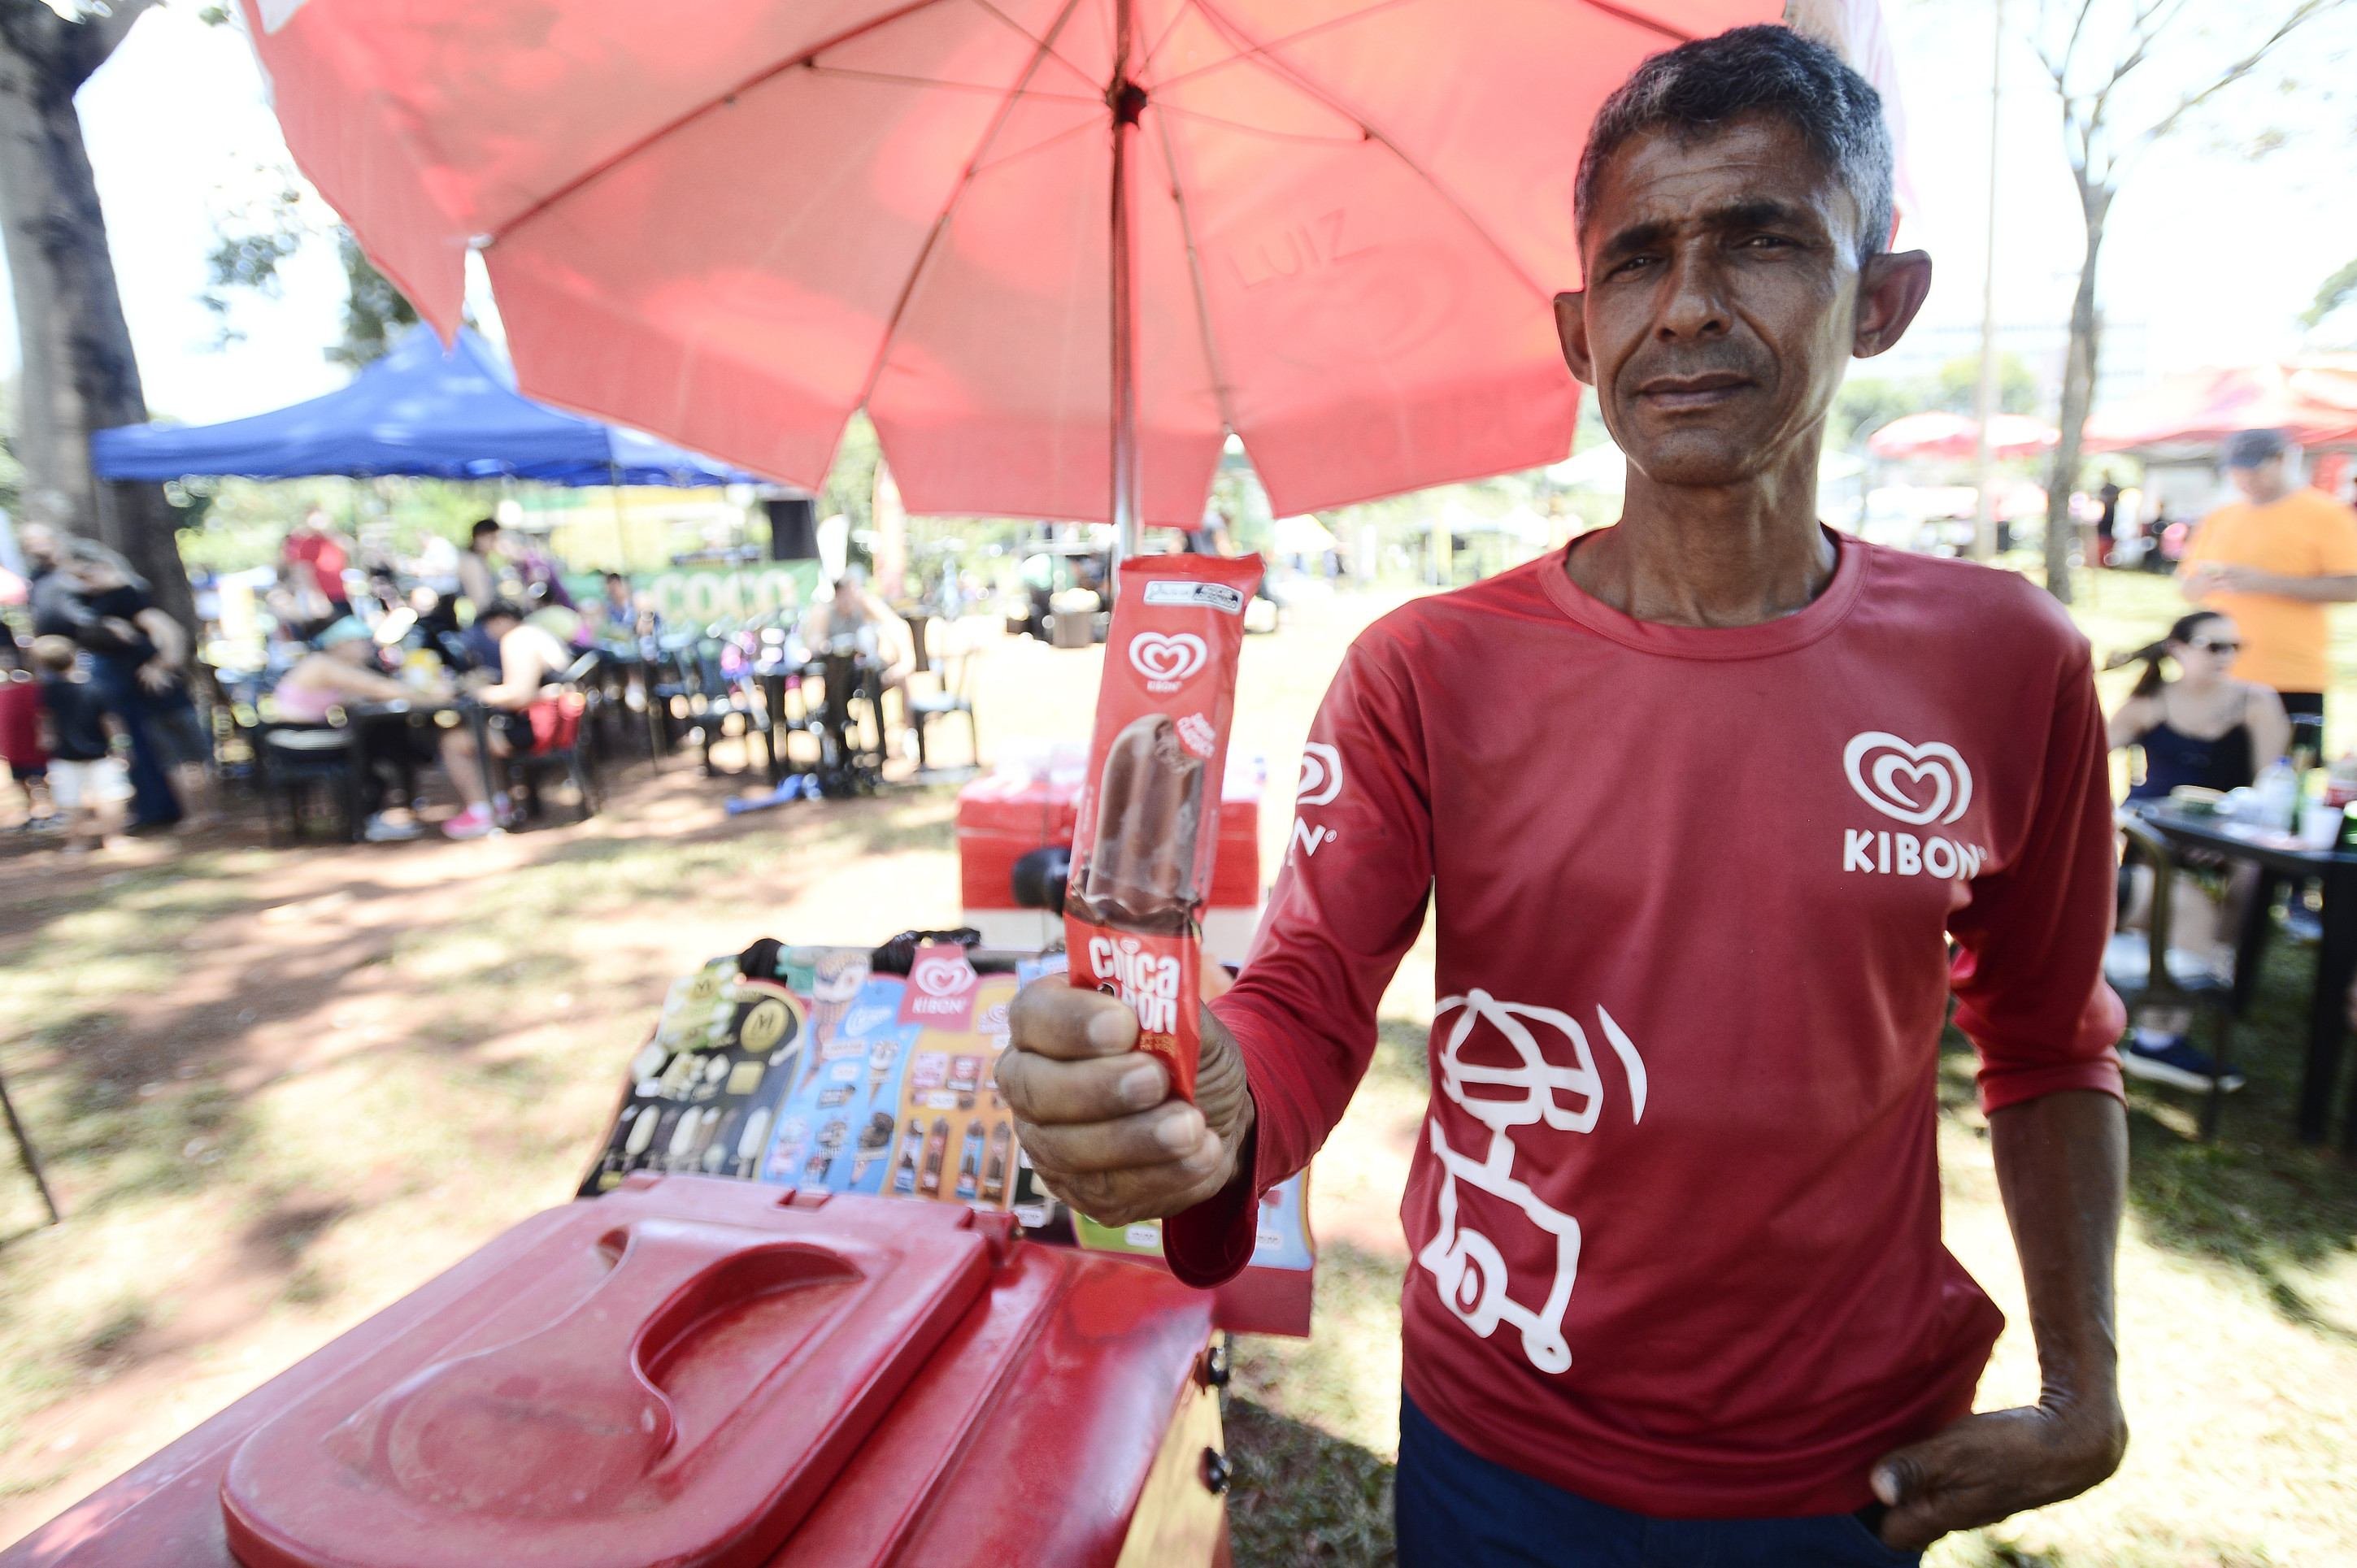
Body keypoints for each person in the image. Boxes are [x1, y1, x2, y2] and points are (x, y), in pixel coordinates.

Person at [996, 27, 2128, 1566]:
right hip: (1497, 1435)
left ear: (1879, 299)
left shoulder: (2006, 660)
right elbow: (1309, 993)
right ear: (1577, 330)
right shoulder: (1427, 669)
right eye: (1635, 259)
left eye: (1762, 242)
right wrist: (1208, 1098)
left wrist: (2081, 1385)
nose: (1687, 306)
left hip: (1843, 1464)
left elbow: (2048, 1040)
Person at [2104, 611, 2285, 1092]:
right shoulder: (2150, 701)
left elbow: (2272, 785)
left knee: (2245, 871)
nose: (2226, 656)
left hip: (2230, 833)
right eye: (2214, 646)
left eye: (2234, 647)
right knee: (2169, 884)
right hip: (2153, 833)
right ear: (2178, 649)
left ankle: (2210, 970)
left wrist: (2225, 832)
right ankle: (2161, 1019)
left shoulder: (2255, 701)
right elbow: (2087, 756)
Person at [2179, 427, 2357, 754]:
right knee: (2213, 774)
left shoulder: (2325, 513)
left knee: (2285, 775)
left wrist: (2268, 583)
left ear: (2281, 460)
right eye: (2237, 470)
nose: (2246, 478)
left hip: (2291, 674)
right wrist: (2202, 584)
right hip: (2219, 673)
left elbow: (2351, 585)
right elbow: (2188, 587)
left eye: (2255, 468)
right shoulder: (2220, 518)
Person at [273, 617, 492, 841]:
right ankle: (367, 818)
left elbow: (365, 695)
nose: (367, 646)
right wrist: (438, 695)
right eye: (360, 641)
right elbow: (384, 689)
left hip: (306, 735)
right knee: (374, 743)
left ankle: (371, 813)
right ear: (340, 643)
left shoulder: (330, 665)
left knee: (381, 738)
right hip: (297, 738)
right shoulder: (324, 665)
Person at [47, 538, 187, 832]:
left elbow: (167, 631)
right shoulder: (97, 599)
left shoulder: (126, 595)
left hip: (134, 686)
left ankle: (159, 808)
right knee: (139, 748)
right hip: (121, 686)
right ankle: (150, 807)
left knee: (150, 748)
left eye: (82, 574)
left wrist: (161, 664)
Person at [30, 635, 112, 853]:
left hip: (64, 753)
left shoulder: (48, 691)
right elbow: (109, 719)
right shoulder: (95, 686)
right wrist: (120, 744)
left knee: (70, 799)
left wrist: (46, 738)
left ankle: (77, 843)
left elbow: (45, 719)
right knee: (109, 795)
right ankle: (114, 838)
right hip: (100, 750)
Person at [0, 632, 54, 829]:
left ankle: (50, 810)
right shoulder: (4, 689)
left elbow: (43, 713)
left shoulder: (32, 686)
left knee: (41, 776)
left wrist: (46, 734)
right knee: (20, 778)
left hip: (32, 738)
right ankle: (31, 811)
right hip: (13, 742)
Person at [281, 506, 353, 625]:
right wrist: (314, 596)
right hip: (323, 596)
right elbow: (302, 571)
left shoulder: (334, 540)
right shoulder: (307, 543)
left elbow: (349, 549)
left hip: (341, 593)